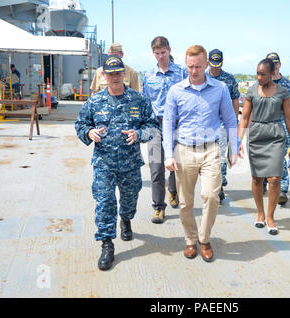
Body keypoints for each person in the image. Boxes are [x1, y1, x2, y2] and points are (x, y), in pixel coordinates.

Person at [75, 55, 159, 271]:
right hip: (104, 163)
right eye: (110, 73)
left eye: (118, 73)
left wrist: (139, 134)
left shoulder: (138, 100)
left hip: (130, 163)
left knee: (130, 199)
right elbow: (81, 124)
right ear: (103, 75)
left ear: (124, 74)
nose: (114, 77)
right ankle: (106, 244)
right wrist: (89, 132)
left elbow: (152, 126)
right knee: (104, 203)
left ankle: (126, 219)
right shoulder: (94, 101)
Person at [163, 45, 239, 262]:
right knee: (186, 202)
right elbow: (168, 123)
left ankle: (204, 240)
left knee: (211, 195)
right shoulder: (176, 90)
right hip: (184, 150)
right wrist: (168, 154)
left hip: (211, 150)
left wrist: (234, 148)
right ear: (186, 65)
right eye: (190, 66)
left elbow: (230, 119)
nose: (194, 71)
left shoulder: (221, 88)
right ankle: (190, 240)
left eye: (198, 66)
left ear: (206, 65)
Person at [238, 58, 290, 235]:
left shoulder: (283, 92)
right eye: (257, 73)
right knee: (257, 178)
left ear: (272, 73)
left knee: (274, 179)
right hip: (256, 136)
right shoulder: (251, 91)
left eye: (263, 74)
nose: (259, 77)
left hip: (275, 136)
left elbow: (289, 118)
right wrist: (238, 141)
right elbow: (244, 117)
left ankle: (270, 217)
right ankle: (260, 213)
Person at [142, 36, 188, 224]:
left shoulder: (182, 73)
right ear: (153, 53)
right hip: (155, 126)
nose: (160, 56)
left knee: (176, 166)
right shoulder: (148, 75)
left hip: (177, 126)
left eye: (163, 52)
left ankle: (174, 191)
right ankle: (158, 207)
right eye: (157, 53)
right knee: (156, 168)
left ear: (170, 50)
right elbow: (145, 101)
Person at [262, 52, 290, 204]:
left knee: (278, 158)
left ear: (279, 65)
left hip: (282, 125)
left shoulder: (288, 85)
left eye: (275, 64)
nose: (274, 67)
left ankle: (282, 189)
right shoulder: (261, 83)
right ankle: (264, 181)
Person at [206, 49, 240, 202]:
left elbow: (235, 100)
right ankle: (214, 182)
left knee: (220, 156)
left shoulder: (229, 79)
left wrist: (233, 121)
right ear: (208, 62)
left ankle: (219, 183)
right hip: (205, 124)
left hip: (222, 123)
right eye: (212, 65)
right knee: (206, 157)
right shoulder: (202, 77)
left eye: (217, 65)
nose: (215, 68)